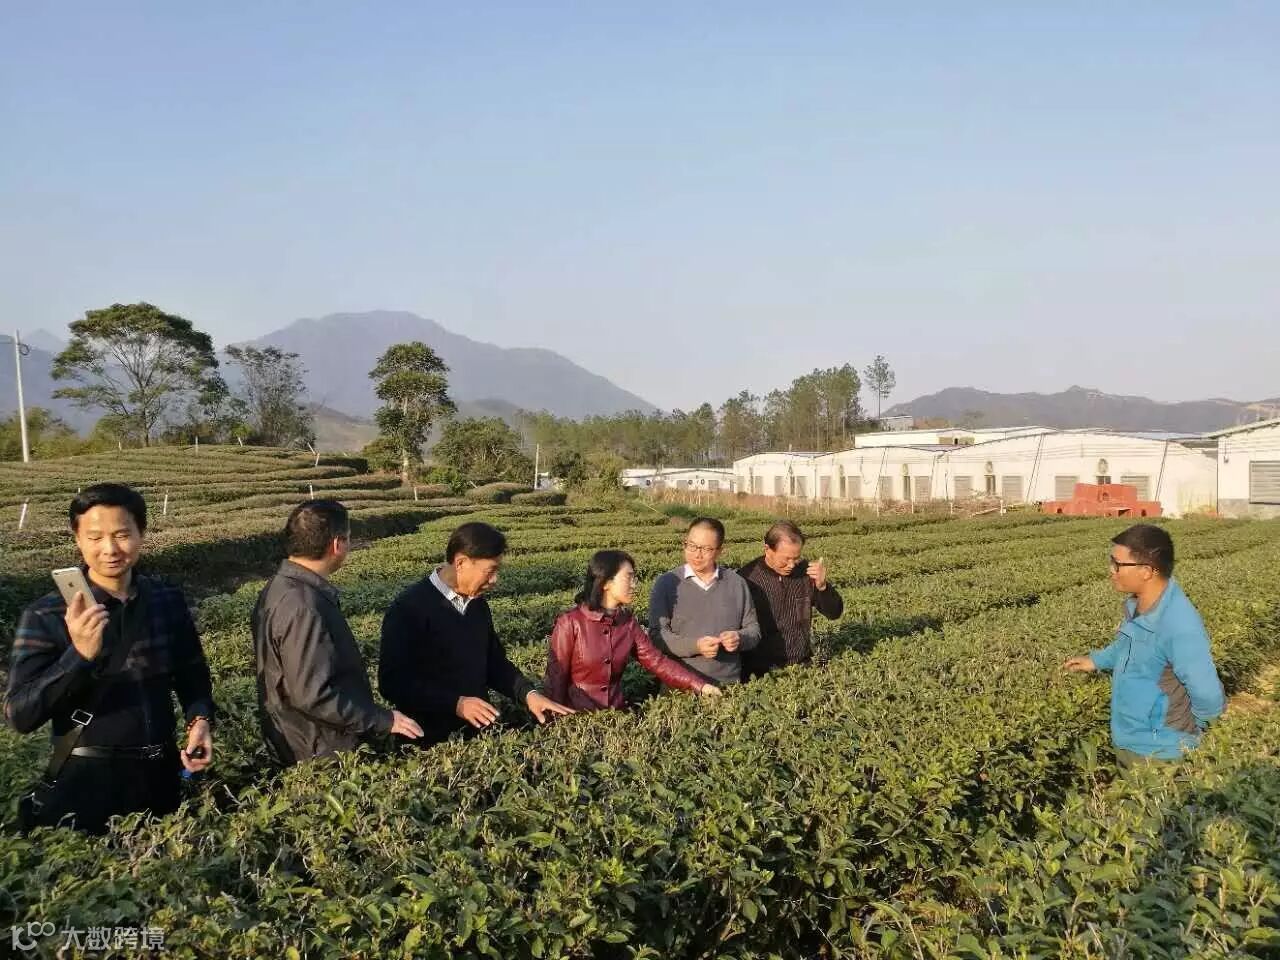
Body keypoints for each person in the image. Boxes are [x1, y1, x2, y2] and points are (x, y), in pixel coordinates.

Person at [5, 483, 215, 833]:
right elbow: (20, 714)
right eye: (95, 537)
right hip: (86, 783)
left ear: (141, 533)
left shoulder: (165, 600)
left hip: (161, 776)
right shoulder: (46, 614)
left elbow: (192, 674)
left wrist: (200, 720)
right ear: (77, 539)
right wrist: (79, 655)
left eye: (122, 535)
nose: (110, 549)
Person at [252, 500, 422, 766]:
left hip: (305, 739)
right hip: (320, 749)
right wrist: (381, 719)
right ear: (337, 544)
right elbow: (312, 694)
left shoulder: (281, 587)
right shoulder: (303, 605)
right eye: (349, 538)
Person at [379, 521, 574, 744]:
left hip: (477, 737)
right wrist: (456, 703)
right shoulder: (408, 608)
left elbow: (494, 663)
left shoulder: (477, 605)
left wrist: (528, 694)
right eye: (490, 571)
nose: (494, 580)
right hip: (427, 743)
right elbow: (392, 683)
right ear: (461, 562)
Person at [1063, 524, 1225, 765]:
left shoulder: (1178, 624)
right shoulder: (1139, 606)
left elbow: (1208, 695)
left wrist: (1190, 734)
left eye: (1117, 564)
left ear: (1147, 571)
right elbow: (1130, 646)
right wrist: (1096, 660)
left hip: (1161, 753)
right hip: (1130, 740)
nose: (1111, 570)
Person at [544, 550, 721, 711]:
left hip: (616, 715)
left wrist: (700, 686)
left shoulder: (627, 623)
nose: (634, 585)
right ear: (606, 582)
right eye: (628, 577)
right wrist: (554, 722)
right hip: (577, 717)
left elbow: (657, 662)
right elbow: (556, 679)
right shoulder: (570, 622)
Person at [648, 517, 761, 686]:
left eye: (706, 549)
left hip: (728, 686)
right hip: (680, 685)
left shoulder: (736, 583)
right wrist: (696, 646)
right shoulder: (666, 583)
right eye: (692, 546)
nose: (697, 554)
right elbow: (657, 635)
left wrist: (739, 638)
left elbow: (754, 630)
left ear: (720, 551)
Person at [738, 520, 844, 679]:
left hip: (801, 666)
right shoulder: (746, 578)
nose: (792, 565)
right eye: (786, 559)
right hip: (759, 672)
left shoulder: (806, 573)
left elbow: (834, 613)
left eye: (796, 558)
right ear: (768, 550)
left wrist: (823, 587)